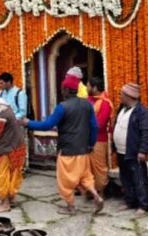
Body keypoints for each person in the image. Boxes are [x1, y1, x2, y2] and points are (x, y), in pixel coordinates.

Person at [23, 74, 104, 215]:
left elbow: (47, 125)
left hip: (67, 150)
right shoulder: (87, 105)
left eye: (62, 89)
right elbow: (94, 126)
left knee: (66, 181)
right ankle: (95, 195)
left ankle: (71, 207)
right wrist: (91, 143)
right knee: (85, 176)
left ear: (66, 90)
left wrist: (28, 123)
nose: (62, 92)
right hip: (83, 149)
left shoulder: (62, 107)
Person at [112, 83, 148, 215]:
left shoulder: (142, 112)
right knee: (125, 178)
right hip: (121, 151)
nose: (120, 96)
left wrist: (143, 151)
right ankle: (129, 201)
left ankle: (143, 205)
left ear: (128, 96)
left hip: (134, 151)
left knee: (139, 178)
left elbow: (146, 132)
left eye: (122, 94)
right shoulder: (122, 109)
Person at [86, 76, 112, 196]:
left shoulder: (105, 103)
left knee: (99, 168)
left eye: (88, 86)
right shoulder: (88, 100)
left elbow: (100, 124)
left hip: (99, 140)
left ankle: (101, 192)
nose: (86, 88)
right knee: (88, 167)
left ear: (95, 87)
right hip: (86, 139)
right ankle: (90, 191)